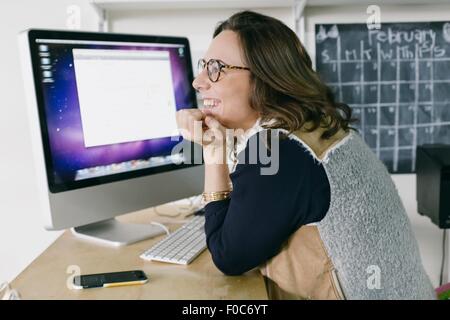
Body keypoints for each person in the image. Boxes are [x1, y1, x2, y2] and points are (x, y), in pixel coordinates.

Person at [175, 11, 436, 300]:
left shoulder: (281, 150)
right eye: (204, 66)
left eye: (217, 67)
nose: (199, 81)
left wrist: (213, 154)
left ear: (265, 77)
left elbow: (228, 257)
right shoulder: (313, 125)